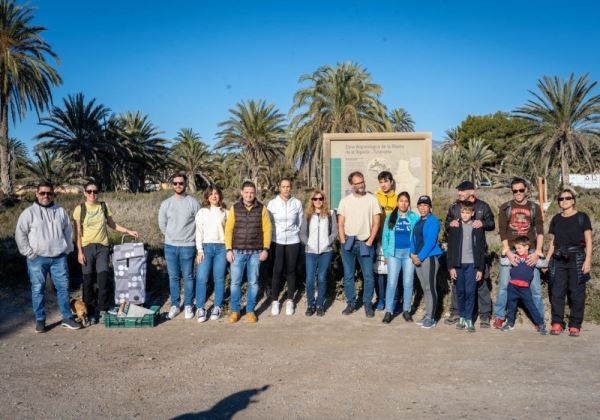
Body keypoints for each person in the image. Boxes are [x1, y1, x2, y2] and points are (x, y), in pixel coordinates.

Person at [15, 182, 82, 332]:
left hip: (59, 257)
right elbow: (20, 234)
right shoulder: (29, 213)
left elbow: (68, 230)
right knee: (38, 289)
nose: (46, 196)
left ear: (53, 195)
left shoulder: (60, 211)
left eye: (49, 193)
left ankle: (67, 317)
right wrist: (29, 253)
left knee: (63, 288)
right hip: (37, 259)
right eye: (43, 193)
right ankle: (40, 320)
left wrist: (67, 249)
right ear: (37, 194)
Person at [72, 181, 138, 323]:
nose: (92, 194)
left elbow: (112, 224)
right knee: (88, 281)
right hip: (86, 248)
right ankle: (88, 312)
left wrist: (128, 231)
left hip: (102, 247)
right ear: (85, 193)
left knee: (102, 280)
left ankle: (102, 309)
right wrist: (79, 252)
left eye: (95, 191)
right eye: (89, 191)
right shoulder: (80, 209)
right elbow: (77, 233)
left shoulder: (103, 206)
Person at [494, 178, 545, 329]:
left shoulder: (534, 207)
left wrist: (537, 252)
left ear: (526, 190)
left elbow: (540, 231)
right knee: (504, 286)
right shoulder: (505, 207)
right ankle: (499, 316)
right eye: (515, 190)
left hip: (530, 252)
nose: (518, 193)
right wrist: (508, 252)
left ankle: (539, 320)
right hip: (511, 251)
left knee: (535, 288)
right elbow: (502, 232)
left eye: (521, 190)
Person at [444, 180, 495, 328]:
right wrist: (450, 224)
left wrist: (482, 223)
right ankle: (456, 313)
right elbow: (447, 224)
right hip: (459, 255)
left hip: (477, 254)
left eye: (462, 191)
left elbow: (491, 224)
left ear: (471, 192)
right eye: (458, 191)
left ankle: (484, 315)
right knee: (457, 285)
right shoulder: (454, 207)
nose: (459, 193)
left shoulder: (483, 206)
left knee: (481, 284)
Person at [546, 189, 593, 337]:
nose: (564, 201)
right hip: (558, 260)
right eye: (561, 199)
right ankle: (557, 322)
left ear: (573, 200)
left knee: (577, 294)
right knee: (557, 293)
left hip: (577, 259)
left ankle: (575, 324)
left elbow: (588, 241)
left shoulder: (582, 217)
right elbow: (553, 242)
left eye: (568, 198)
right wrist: (547, 260)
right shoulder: (556, 219)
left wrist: (588, 260)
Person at [225, 181, 272, 323]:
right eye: (246, 192)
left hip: (255, 253)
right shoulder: (235, 208)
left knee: (253, 282)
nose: (249, 195)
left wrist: (265, 249)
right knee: (235, 283)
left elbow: (267, 229)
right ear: (241, 193)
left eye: (251, 192)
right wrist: (228, 249)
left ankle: (250, 310)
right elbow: (228, 230)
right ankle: (235, 311)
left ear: (255, 193)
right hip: (237, 252)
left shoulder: (262, 209)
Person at [338, 171, 382, 318]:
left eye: (362, 181)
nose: (361, 185)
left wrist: (370, 241)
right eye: (357, 183)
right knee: (349, 276)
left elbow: (376, 223)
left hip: (366, 243)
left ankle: (367, 304)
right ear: (352, 185)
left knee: (368, 276)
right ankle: (351, 303)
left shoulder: (372, 200)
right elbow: (341, 223)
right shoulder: (345, 201)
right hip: (348, 244)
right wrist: (343, 241)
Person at [158, 173, 200, 320]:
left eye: (180, 183)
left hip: (188, 246)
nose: (178, 186)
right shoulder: (166, 204)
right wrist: (171, 236)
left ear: (185, 184)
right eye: (175, 183)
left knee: (189, 276)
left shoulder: (193, 203)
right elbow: (162, 224)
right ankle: (175, 304)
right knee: (173, 277)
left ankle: (188, 304)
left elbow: (199, 223)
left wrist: (192, 240)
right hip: (170, 246)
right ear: (172, 185)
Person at [446, 201, 485, 332]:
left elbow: (481, 249)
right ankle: (462, 316)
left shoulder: (477, 227)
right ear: (460, 212)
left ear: (472, 213)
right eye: (463, 212)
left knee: (470, 292)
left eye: (468, 212)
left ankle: (469, 318)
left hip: (472, 265)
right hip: (458, 265)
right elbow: (450, 248)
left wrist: (480, 268)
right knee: (460, 292)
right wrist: (450, 267)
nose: (465, 215)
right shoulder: (455, 226)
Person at [267, 178, 304, 316]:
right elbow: (269, 222)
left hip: (293, 241)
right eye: (283, 186)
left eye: (288, 186)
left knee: (291, 271)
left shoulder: (297, 203)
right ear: (279, 187)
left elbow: (300, 222)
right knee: (277, 271)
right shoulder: (272, 204)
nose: (286, 189)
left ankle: (289, 301)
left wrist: (295, 233)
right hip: (277, 241)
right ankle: (275, 301)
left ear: (291, 187)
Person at [381, 191, 419, 324]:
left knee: (408, 283)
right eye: (401, 200)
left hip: (408, 254)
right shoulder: (391, 217)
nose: (403, 203)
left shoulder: (414, 217)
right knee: (391, 283)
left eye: (406, 201)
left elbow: (417, 236)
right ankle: (389, 311)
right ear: (397, 202)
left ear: (409, 203)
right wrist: (386, 254)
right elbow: (385, 236)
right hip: (394, 254)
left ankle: (406, 310)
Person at [299, 189, 338, 317]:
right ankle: (311, 305)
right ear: (311, 200)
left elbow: (334, 231)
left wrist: (327, 242)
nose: (318, 201)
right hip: (310, 252)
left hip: (325, 251)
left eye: (320, 199)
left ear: (323, 200)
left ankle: (320, 305)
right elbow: (302, 233)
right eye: (315, 199)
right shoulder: (307, 214)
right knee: (310, 279)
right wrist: (308, 243)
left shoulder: (330, 213)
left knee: (321, 278)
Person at [501, 236, 547, 334]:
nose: (517, 250)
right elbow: (503, 262)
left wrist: (541, 255)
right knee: (511, 306)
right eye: (516, 248)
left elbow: (544, 264)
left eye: (519, 248)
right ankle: (510, 323)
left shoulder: (531, 258)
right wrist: (503, 254)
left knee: (531, 306)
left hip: (525, 288)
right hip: (512, 287)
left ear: (527, 247)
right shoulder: (515, 257)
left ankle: (541, 324)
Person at [194, 185, 227, 322]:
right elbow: (198, 232)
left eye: (216, 193)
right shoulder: (202, 212)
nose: (214, 196)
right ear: (207, 197)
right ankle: (200, 308)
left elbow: (230, 232)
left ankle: (217, 306)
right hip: (206, 248)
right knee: (202, 278)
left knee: (219, 279)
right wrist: (199, 250)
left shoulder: (226, 212)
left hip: (222, 248)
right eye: (211, 194)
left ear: (220, 196)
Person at [410, 195, 443, 329]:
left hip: (429, 258)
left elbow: (430, 242)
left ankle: (431, 317)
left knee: (430, 288)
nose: (423, 208)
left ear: (430, 208)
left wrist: (420, 257)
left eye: (426, 205)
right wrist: (412, 254)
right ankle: (427, 314)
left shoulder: (434, 221)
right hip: (417, 258)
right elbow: (413, 239)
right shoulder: (418, 221)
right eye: (421, 205)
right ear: (417, 207)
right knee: (424, 288)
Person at [373, 171, 398, 311]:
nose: (383, 185)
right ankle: (380, 299)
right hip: (378, 239)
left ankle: (394, 300)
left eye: (386, 181)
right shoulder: (375, 197)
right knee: (379, 272)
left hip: (393, 241)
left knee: (392, 272)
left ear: (391, 182)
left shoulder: (398, 197)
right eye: (381, 182)